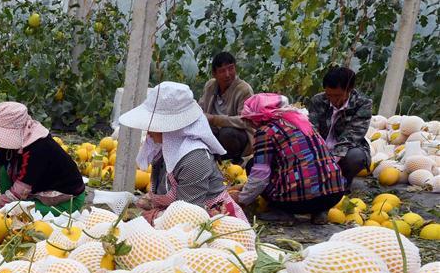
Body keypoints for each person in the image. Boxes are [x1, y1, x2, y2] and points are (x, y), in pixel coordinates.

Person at [119, 81, 247, 224]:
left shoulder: (194, 159)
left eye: (153, 124)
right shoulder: (164, 151)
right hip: (179, 225)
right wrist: (136, 201)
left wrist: (145, 218)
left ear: (171, 127)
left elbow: (188, 216)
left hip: (212, 227)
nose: (148, 131)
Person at [235, 93, 345, 224]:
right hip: (334, 194)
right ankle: (319, 212)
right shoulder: (302, 121)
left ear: (256, 118)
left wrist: (242, 199)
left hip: (298, 201)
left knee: (253, 164)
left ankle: (283, 212)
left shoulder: (266, 131)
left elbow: (260, 176)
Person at [0, 102, 86, 215]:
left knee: (21, 212)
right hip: (35, 186)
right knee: (3, 169)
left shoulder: (39, 148)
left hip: (64, 198)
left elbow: (20, 191)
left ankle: (8, 207)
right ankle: (7, 205)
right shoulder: (7, 143)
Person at [308, 66, 372, 189]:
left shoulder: (362, 104)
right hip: (321, 148)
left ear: (349, 90)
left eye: (337, 95)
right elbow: (312, 129)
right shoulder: (318, 100)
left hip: (345, 151)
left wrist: (331, 161)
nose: (333, 99)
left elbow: (352, 135)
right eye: (329, 95)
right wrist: (317, 153)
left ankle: (343, 184)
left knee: (356, 157)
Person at [198, 52, 255, 162]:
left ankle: (234, 162)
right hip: (216, 134)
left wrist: (215, 119)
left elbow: (246, 120)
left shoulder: (243, 89)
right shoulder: (210, 86)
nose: (227, 74)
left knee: (227, 133)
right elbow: (201, 108)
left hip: (237, 137)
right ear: (214, 74)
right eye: (222, 71)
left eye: (231, 69)